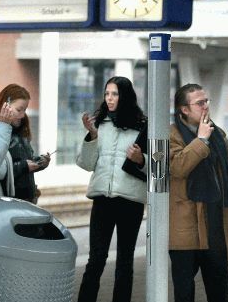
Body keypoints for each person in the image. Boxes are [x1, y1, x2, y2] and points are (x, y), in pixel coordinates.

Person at [76, 76, 147, 302]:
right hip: (102, 200)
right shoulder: (99, 124)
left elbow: (161, 169)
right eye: (107, 93)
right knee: (96, 259)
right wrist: (92, 136)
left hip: (130, 201)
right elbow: (86, 164)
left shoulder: (143, 126)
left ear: (124, 96)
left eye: (114, 94)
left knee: (125, 262)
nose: (109, 98)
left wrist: (141, 159)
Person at [169, 83, 228, 302]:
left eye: (206, 101)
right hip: (185, 227)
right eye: (199, 103)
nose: (205, 106)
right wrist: (200, 141)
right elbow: (177, 168)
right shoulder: (171, 135)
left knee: (219, 290)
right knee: (184, 293)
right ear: (184, 109)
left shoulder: (218, 135)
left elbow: (225, 177)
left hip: (215, 224)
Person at [0, 84, 51, 204]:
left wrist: (39, 162)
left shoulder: (20, 127)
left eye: (25, 110)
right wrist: (24, 167)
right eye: (19, 109)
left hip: (26, 200)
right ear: (4, 105)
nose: (22, 115)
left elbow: (22, 160)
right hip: (7, 201)